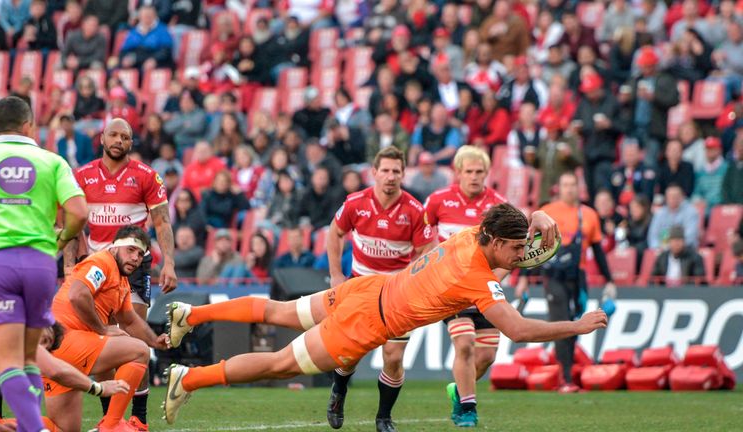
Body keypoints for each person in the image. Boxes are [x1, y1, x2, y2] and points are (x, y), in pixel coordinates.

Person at [161, 204, 607, 427]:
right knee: (279, 363)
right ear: (493, 241)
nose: (517, 256)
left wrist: (537, 214)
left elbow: (506, 225)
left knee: (278, 311)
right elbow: (517, 329)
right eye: (513, 248)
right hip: (369, 322)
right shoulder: (477, 275)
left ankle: (191, 313)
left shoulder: (473, 235)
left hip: (368, 288)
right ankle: (189, 379)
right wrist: (576, 326)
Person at [0, 96, 88, 432]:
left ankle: (34, 430)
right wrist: (62, 239)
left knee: (8, 362)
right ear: (30, 127)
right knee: (29, 358)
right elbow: (80, 213)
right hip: (40, 265)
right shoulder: (52, 161)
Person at [67, 118, 177, 430]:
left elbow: (162, 221)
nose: (119, 140)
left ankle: (138, 419)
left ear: (131, 142)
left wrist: (168, 261)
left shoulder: (146, 176)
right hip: (97, 266)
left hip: (134, 264)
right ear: (102, 137)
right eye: (113, 134)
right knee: (101, 339)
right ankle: (109, 419)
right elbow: (72, 223)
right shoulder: (82, 175)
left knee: (132, 336)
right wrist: (69, 263)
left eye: (125, 137)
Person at [322, 145, 435, 432]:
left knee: (393, 357)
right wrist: (336, 274)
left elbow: (427, 250)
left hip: (398, 294)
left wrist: (412, 280)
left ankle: (383, 417)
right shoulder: (355, 203)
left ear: (403, 174)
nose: (390, 176)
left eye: (396, 171)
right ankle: (339, 391)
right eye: (384, 170)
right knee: (349, 354)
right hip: (360, 290)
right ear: (374, 172)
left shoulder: (414, 210)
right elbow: (334, 234)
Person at [47, 226, 170, 432]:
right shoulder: (102, 262)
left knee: (63, 428)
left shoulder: (121, 280)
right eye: (130, 250)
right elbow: (78, 295)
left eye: (140, 254)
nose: (135, 258)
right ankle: (112, 423)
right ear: (114, 247)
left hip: (57, 349)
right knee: (139, 351)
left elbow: (129, 320)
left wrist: (154, 340)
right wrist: (102, 329)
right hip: (66, 339)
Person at [423, 145, 505, 426]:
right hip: (452, 290)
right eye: (468, 171)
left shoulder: (498, 206)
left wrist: (495, 279)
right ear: (458, 172)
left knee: (487, 355)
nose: (473, 176)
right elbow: (422, 239)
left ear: (487, 173)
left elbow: (509, 253)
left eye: (479, 171)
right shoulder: (438, 201)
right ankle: (467, 409)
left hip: (484, 290)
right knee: (466, 343)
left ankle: (458, 389)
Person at [516, 172, 616, 393]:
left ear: (579, 188)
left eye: (573, 185)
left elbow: (598, 250)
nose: (569, 189)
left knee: (576, 323)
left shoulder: (589, 214)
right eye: (565, 184)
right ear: (559, 188)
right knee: (560, 320)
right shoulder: (549, 212)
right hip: (553, 275)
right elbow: (534, 248)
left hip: (578, 277)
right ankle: (566, 378)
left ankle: (567, 373)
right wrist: (524, 277)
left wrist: (609, 280)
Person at [0, 326, 130, 431]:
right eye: (44, 340)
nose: (40, 350)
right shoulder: (7, 328)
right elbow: (56, 371)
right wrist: (99, 388)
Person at [648, 184, 700, 249]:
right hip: (662, 250)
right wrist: (657, 247)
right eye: (669, 197)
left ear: (682, 197)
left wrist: (673, 247)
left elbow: (690, 236)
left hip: (685, 250)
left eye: (675, 196)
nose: (672, 199)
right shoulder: (660, 213)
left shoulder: (691, 212)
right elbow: (653, 236)